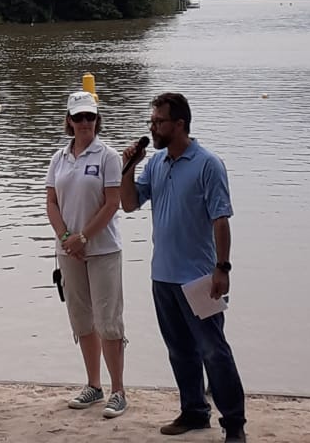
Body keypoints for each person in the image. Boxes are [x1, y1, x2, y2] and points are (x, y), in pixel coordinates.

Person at [121, 92, 246, 442]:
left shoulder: (208, 164)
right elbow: (129, 204)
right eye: (152, 121)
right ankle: (194, 412)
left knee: (214, 352)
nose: (153, 127)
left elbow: (221, 218)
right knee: (179, 351)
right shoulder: (157, 164)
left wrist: (223, 268)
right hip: (162, 276)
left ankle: (234, 425)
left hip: (199, 278)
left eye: (158, 122)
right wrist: (128, 167)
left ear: (179, 124)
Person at [45, 90, 128, 419]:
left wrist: (83, 237)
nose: (84, 123)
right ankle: (94, 385)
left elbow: (112, 203)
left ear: (97, 119)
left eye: (89, 117)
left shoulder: (108, 156)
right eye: (78, 117)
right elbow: (51, 202)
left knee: (109, 321)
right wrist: (66, 237)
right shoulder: (58, 158)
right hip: (68, 251)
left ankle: (118, 390)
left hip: (103, 248)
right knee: (82, 319)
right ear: (68, 120)